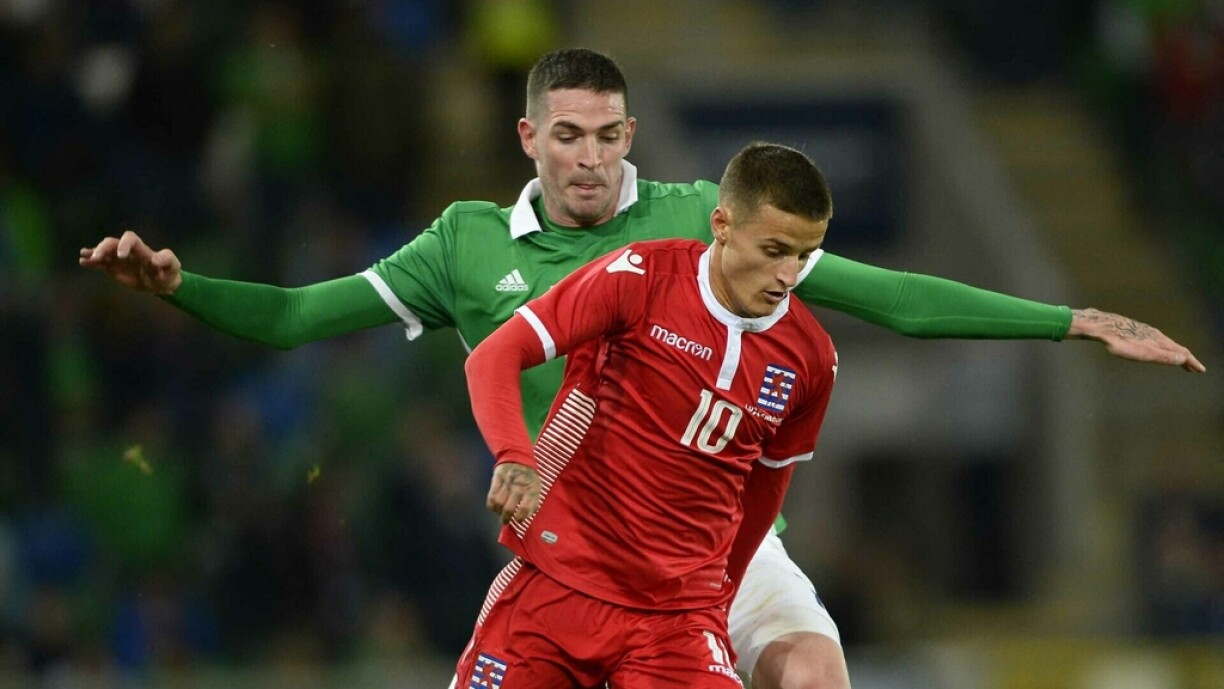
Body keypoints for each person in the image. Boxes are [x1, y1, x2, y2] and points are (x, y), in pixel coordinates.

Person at [78, 48, 1205, 689]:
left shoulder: (700, 220)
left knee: (814, 672)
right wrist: (181, 288)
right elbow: (290, 317)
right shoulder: (465, 243)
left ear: (631, 137)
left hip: (707, 551)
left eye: (610, 135)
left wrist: (1068, 320)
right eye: (567, 135)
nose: (591, 158)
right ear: (529, 138)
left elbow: (890, 296)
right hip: (568, 550)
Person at [459, 141, 837, 688]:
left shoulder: (811, 357)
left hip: (677, 620)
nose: (788, 275)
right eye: (775, 250)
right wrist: (514, 455)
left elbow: (766, 490)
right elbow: (494, 356)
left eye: (804, 256)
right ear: (722, 225)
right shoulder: (641, 277)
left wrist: (721, 596)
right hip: (560, 583)